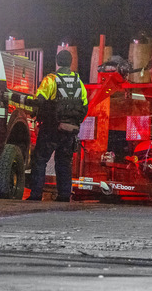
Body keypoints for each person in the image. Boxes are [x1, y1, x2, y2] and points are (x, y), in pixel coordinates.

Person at [25, 49, 88, 202]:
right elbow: (85, 106)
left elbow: (39, 100)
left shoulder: (51, 80)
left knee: (40, 160)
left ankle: (35, 196)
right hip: (70, 131)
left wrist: (24, 101)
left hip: (51, 128)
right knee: (64, 163)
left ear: (57, 61)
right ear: (71, 62)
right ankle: (64, 195)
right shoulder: (78, 81)